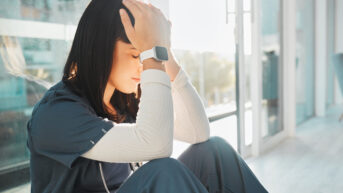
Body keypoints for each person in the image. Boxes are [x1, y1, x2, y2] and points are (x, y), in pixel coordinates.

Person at [26, 0, 268, 192]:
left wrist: (164, 53)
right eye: (136, 56)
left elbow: (198, 132)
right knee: (164, 171)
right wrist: (151, 52)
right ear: (99, 49)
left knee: (214, 151)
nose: (144, 67)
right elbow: (156, 146)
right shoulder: (56, 113)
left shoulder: (123, 100)